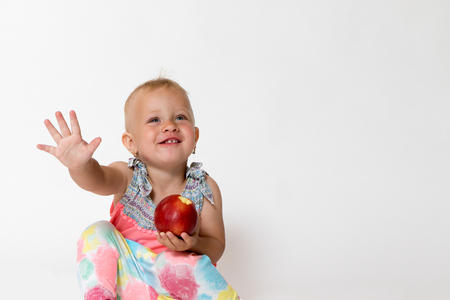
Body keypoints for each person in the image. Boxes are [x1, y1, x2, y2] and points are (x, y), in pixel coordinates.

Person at [37, 78, 240, 300]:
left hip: (176, 290)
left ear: (195, 137)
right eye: (154, 119)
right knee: (96, 232)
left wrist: (194, 243)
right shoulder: (127, 176)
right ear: (131, 143)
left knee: (174, 261)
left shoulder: (204, 189)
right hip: (127, 285)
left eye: (180, 117)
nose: (170, 125)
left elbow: (216, 247)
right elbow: (98, 179)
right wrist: (81, 166)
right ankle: (99, 296)